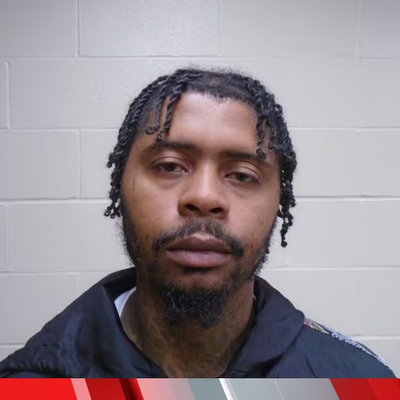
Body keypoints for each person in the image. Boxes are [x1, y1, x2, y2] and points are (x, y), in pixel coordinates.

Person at [0, 68, 395, 378]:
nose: (205, 197)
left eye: (242, 174)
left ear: (279, 200)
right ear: (120, 187)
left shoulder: (358, 384)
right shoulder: (29, 384)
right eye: (170, 166)